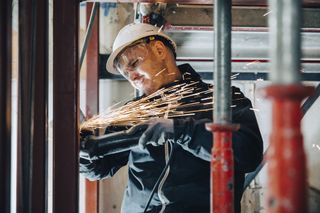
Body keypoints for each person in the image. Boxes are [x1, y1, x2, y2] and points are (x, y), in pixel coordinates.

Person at [80, 23, 263, 213]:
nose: (132, 77)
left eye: (134, 64)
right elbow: (98, 168)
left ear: (159, 50)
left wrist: (181, 130)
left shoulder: (222, 99)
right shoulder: (134, 113)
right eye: (126, 74)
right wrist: (81, 151)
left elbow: (248, 155)